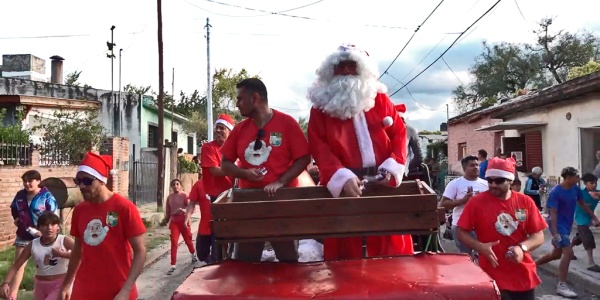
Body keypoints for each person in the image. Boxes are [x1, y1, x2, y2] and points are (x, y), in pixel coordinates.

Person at [306, 43, 413, 260]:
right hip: (344, 191)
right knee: (345, 255)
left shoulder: (381, 100)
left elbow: (400, 135)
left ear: (362, 69)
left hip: (383, 187)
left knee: (391, 251)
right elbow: (319, 146)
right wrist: (340, 177)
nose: (346, 71)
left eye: (351, 65)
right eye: (340, 66)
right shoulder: (320, 110)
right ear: (330, 71)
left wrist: (393, 168)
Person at [220, 78, 311, 262]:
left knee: (288, 262)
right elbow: (225, 164)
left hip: (282, 204)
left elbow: (304, 158)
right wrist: (245, 174)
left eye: (240, 99)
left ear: (255, 98)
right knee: (246, 264)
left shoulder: (287, 124)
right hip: (249, 205)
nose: (237, 104)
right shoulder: (239, 130)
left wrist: (280, 181)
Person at [59, 152, 147, 300]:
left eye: (87, 181)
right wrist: (66, 285)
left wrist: (126, 291)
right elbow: (77, 251)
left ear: (101, 180)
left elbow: (140, 251)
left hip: (118, 292)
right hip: (84, 291)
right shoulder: (80, 210)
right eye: (78, 181)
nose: (81, 186)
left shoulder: (124, 208)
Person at [457, 157, 546, 300]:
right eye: (489, 180)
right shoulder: (476, 202)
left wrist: (521, 248)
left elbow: (538, 235)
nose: (493, 185)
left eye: (498, 181)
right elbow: (461, 231)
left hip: (522, 276)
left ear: (510, 181)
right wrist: (479, 246)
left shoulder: (525, 202)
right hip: (491, 276)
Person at [535, 167, 600, 298]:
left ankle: (531, 266)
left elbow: (582, 204)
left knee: (556, 254)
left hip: (567, 225)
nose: (578, 179)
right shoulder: (556, 192)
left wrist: (594, 217)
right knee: (568, 253)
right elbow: (552, 213)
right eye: (576, 177)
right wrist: (554, 232)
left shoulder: (575, 189)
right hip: (558, 226)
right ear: (568, 177)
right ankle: (562, 285)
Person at [186, 114, 236, 263]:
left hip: (234, 195)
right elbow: (216, 171)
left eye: (222, 128)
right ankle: (216, 262)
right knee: (215, 239)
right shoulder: (209, 147)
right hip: (218, 197)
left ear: (230, 131)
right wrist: (239, 171)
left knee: (226, 236)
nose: (219, 131)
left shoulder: (235, 148)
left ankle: (222, 261)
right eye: (217, 128)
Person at [9, 170, 58, 300]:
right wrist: (17, 219)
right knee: (18, 264)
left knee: (46, 264)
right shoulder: (20, 195)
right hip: (24, 234)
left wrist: (45, 231)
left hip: (43, 236)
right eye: (25, 181)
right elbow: (14, 208)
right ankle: (12, 294)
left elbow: (53, 215)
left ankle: (52, 291)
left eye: (30, 181)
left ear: (38, 181)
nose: (27, 184)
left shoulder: (46, 196)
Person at [2, 211, 73, 300]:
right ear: (38, 227)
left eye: (53, 224)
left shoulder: (64, 240)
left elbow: (81, 255)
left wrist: (62, 254)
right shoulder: (33, 244)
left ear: (58, 226)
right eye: (45, 225)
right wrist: (5, 283)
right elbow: (16, 266)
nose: (49, 228)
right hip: (40, 285)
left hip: (60, 284)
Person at [440, 155, 488, 256]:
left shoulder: (486, 184)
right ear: (464, 168)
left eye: (477, 165)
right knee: (466, 257)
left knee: (483, 256)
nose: (476, 167)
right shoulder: (455, 184)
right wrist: (463, 200)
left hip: (482, 227)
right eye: (472, 165)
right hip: (461, 227)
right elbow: (443, 204)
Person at [162, 179, 197, 275]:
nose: (175, 186)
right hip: (174, 222)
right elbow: (168, 212)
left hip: (184, 221)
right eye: (173, 184)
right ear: (171, 186)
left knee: (188, 240)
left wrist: (184, 210)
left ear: (180, 185)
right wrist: (164, 221)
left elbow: (191, 208)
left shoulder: (185, 195)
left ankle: (193, 254)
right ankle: (173, 264)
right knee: (174, 242)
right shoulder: (170, 198)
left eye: (177, 184)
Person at [571, 173, 600, 272]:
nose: (594, 185)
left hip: (589, 218)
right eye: (591, 183)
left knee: (580, 238)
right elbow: (584, 207)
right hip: (581, 218)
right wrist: (595, 218)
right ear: (585, 183)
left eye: (595, 183)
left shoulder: (596, 192)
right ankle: (590, 263)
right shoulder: (580, 194)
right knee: (588, 238)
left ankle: (567, 250)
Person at [394, 103, 423, 176]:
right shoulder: (410, 130)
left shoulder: (383, 130)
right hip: (402, 173)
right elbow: (419, 158)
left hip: (382, 174)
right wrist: (406, 167)